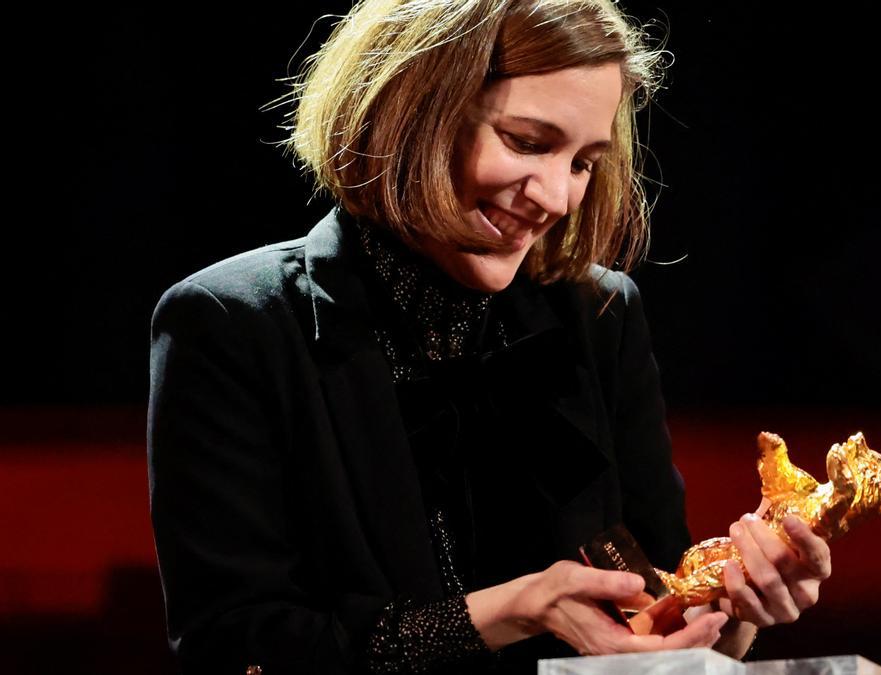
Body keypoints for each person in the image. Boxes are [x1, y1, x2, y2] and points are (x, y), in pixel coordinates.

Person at [147, 1, 832, 673]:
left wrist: (733, 604)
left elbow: (658, 618)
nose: (558, 197)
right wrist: (519, 608)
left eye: (583, 162)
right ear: (411, 113)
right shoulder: (232, 323)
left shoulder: (598, 315)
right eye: (528, 143)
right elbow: (237, 648)